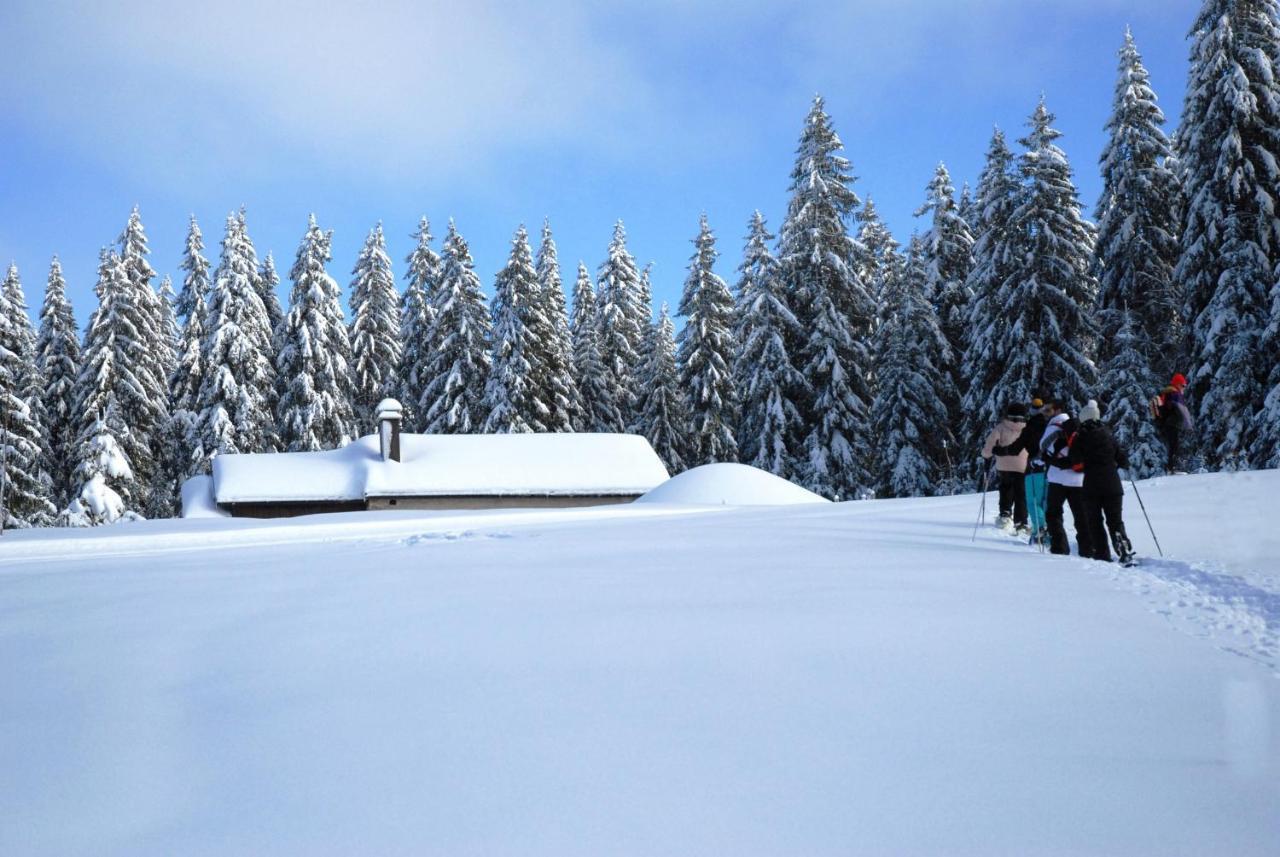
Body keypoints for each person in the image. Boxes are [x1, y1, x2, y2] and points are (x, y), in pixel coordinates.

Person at [1069, 399, 1136, 565]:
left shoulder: (1080, 437)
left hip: (1091, 485)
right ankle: (1123, 549)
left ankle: (1102, 554)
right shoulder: (1108, 434)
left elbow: (1075, 463)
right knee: (1115, 519)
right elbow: (1122, 459)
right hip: (1112, 483)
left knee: (1095, 522)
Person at [1039, 399, 1093, 557]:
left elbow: (1043, 447)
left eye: (1047, 410)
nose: (1045, 413)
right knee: (1081, 515)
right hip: (1079, 478)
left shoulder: (1053, 427)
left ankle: (1059, 548)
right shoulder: (1078, 428)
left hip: (1057, 478)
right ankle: (1087, 549)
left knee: (1054, 514)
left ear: (1056, 410)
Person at [995, 396, 1050, 546]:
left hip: (1033, 469)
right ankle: (1051, 531)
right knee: (1048, 501)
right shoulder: (1050, 425)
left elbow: (1015, 448)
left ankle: (1038, 530)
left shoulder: (1029, 428)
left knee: (1032, 500)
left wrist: (999, 451)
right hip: (1052, 470)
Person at [981, 402, 1029, 533]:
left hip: (1004, 465)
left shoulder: (1001, 427)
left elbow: (990, 444)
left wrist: (986, 455)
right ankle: (1021, 522)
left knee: (1006, 488)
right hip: (1022, 465)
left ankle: (1005, 515)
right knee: (1021, 493)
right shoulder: (1027, 428)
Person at [1153, 373, 1193, 474]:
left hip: (1167, 424)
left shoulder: (1167, 392)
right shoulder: (1175, 393)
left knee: (1173, 445)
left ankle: (1171, 468)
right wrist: (1188, 425)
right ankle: (1174, 468)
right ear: (1178, 384)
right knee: (1175, 445)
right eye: (1183, 385)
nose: (1184, 388)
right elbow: (1182, 410)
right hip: (1173, 423)